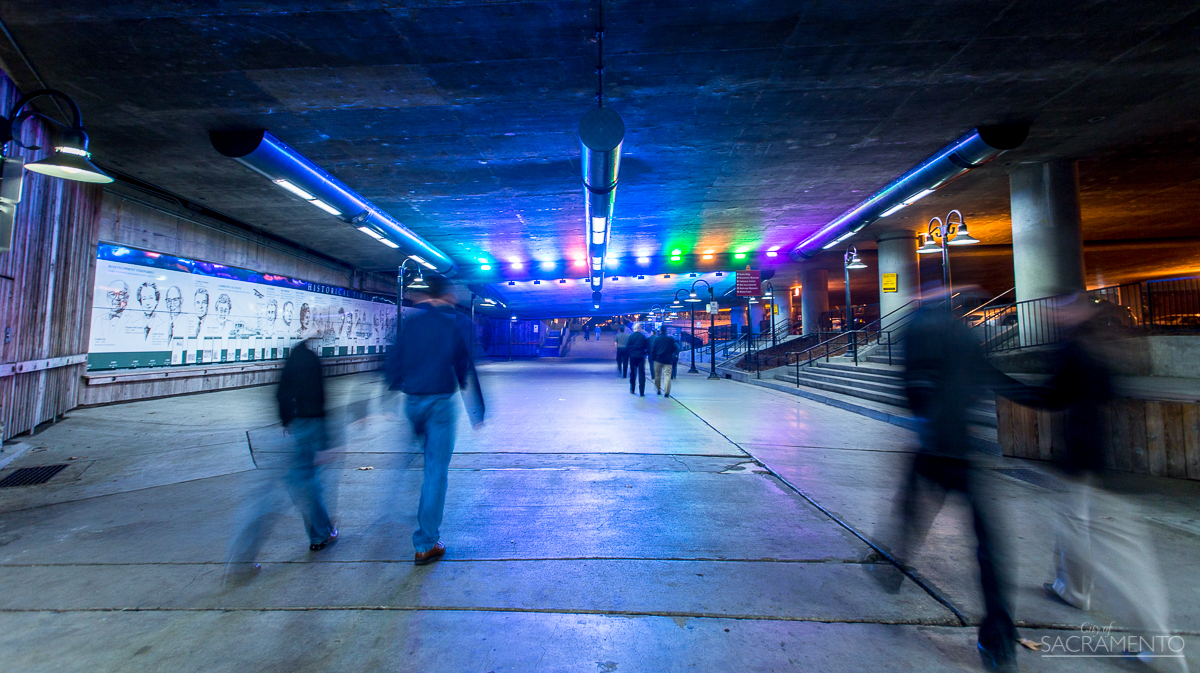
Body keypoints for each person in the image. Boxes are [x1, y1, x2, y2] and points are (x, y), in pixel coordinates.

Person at [1030, 297, 1185, 672]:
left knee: (1124, 564)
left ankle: (1161, 648)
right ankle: (1072, 589)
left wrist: (997, 382)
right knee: (1069, 525)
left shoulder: (1077, 347)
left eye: (1063, 306)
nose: (1055, 311)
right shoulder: (1097, 345)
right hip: (1093, 464)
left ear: (1080, 310)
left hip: (1094, 467)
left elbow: (1054, 397)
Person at [877, 299, 1028, 672]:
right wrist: (1044, 396)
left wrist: (923, 419)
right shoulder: (964, 335)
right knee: (985, 539)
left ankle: (894, 565)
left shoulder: (919, 332)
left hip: (935, 443)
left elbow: (912, 384)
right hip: (962, 445)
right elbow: (989, 378)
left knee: (913, 508)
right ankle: (999, 632)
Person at [385, 274, 483, 566]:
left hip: (412, 401)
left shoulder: (410, 323)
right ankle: (426, 543)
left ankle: (391, 509)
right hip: (440, 404)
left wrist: (389, 393)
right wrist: (477, 411)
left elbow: (393, 361)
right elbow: (464, 366)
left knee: (416, 458)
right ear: (445, 295)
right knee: (435, 471)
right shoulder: (453, 323)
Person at [225, 337, 337, 581]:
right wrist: (326, 442)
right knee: (310, 483)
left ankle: (240, 558)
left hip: (294, 427)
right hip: (313, 426)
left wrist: (286, 420)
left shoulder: (291, 360)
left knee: (291, 483)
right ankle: (321, 534)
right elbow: (320, 397)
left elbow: (280, 393)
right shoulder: (312, 360)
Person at [649, 328, 680, 398]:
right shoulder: (670, 340)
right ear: (666, 332)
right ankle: (666, 392)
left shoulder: (656, 339)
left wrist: (653, 358)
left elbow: (653, 349)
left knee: (657, 375)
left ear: (660, 331)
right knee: (667, 376)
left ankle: (658, 389)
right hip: (668, 360)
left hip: (658, 359)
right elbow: (673, 349)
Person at [625, 322, 649, 396]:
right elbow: (647, 346)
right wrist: (644, 353)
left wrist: (629, 353)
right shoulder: (642, 337)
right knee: (641, 373)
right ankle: (642, 391)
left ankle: (632, 389)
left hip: (633, 356)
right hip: (641, 356)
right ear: (639, 328)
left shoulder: (631, 336)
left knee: (633, 372)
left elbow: (627, 346)